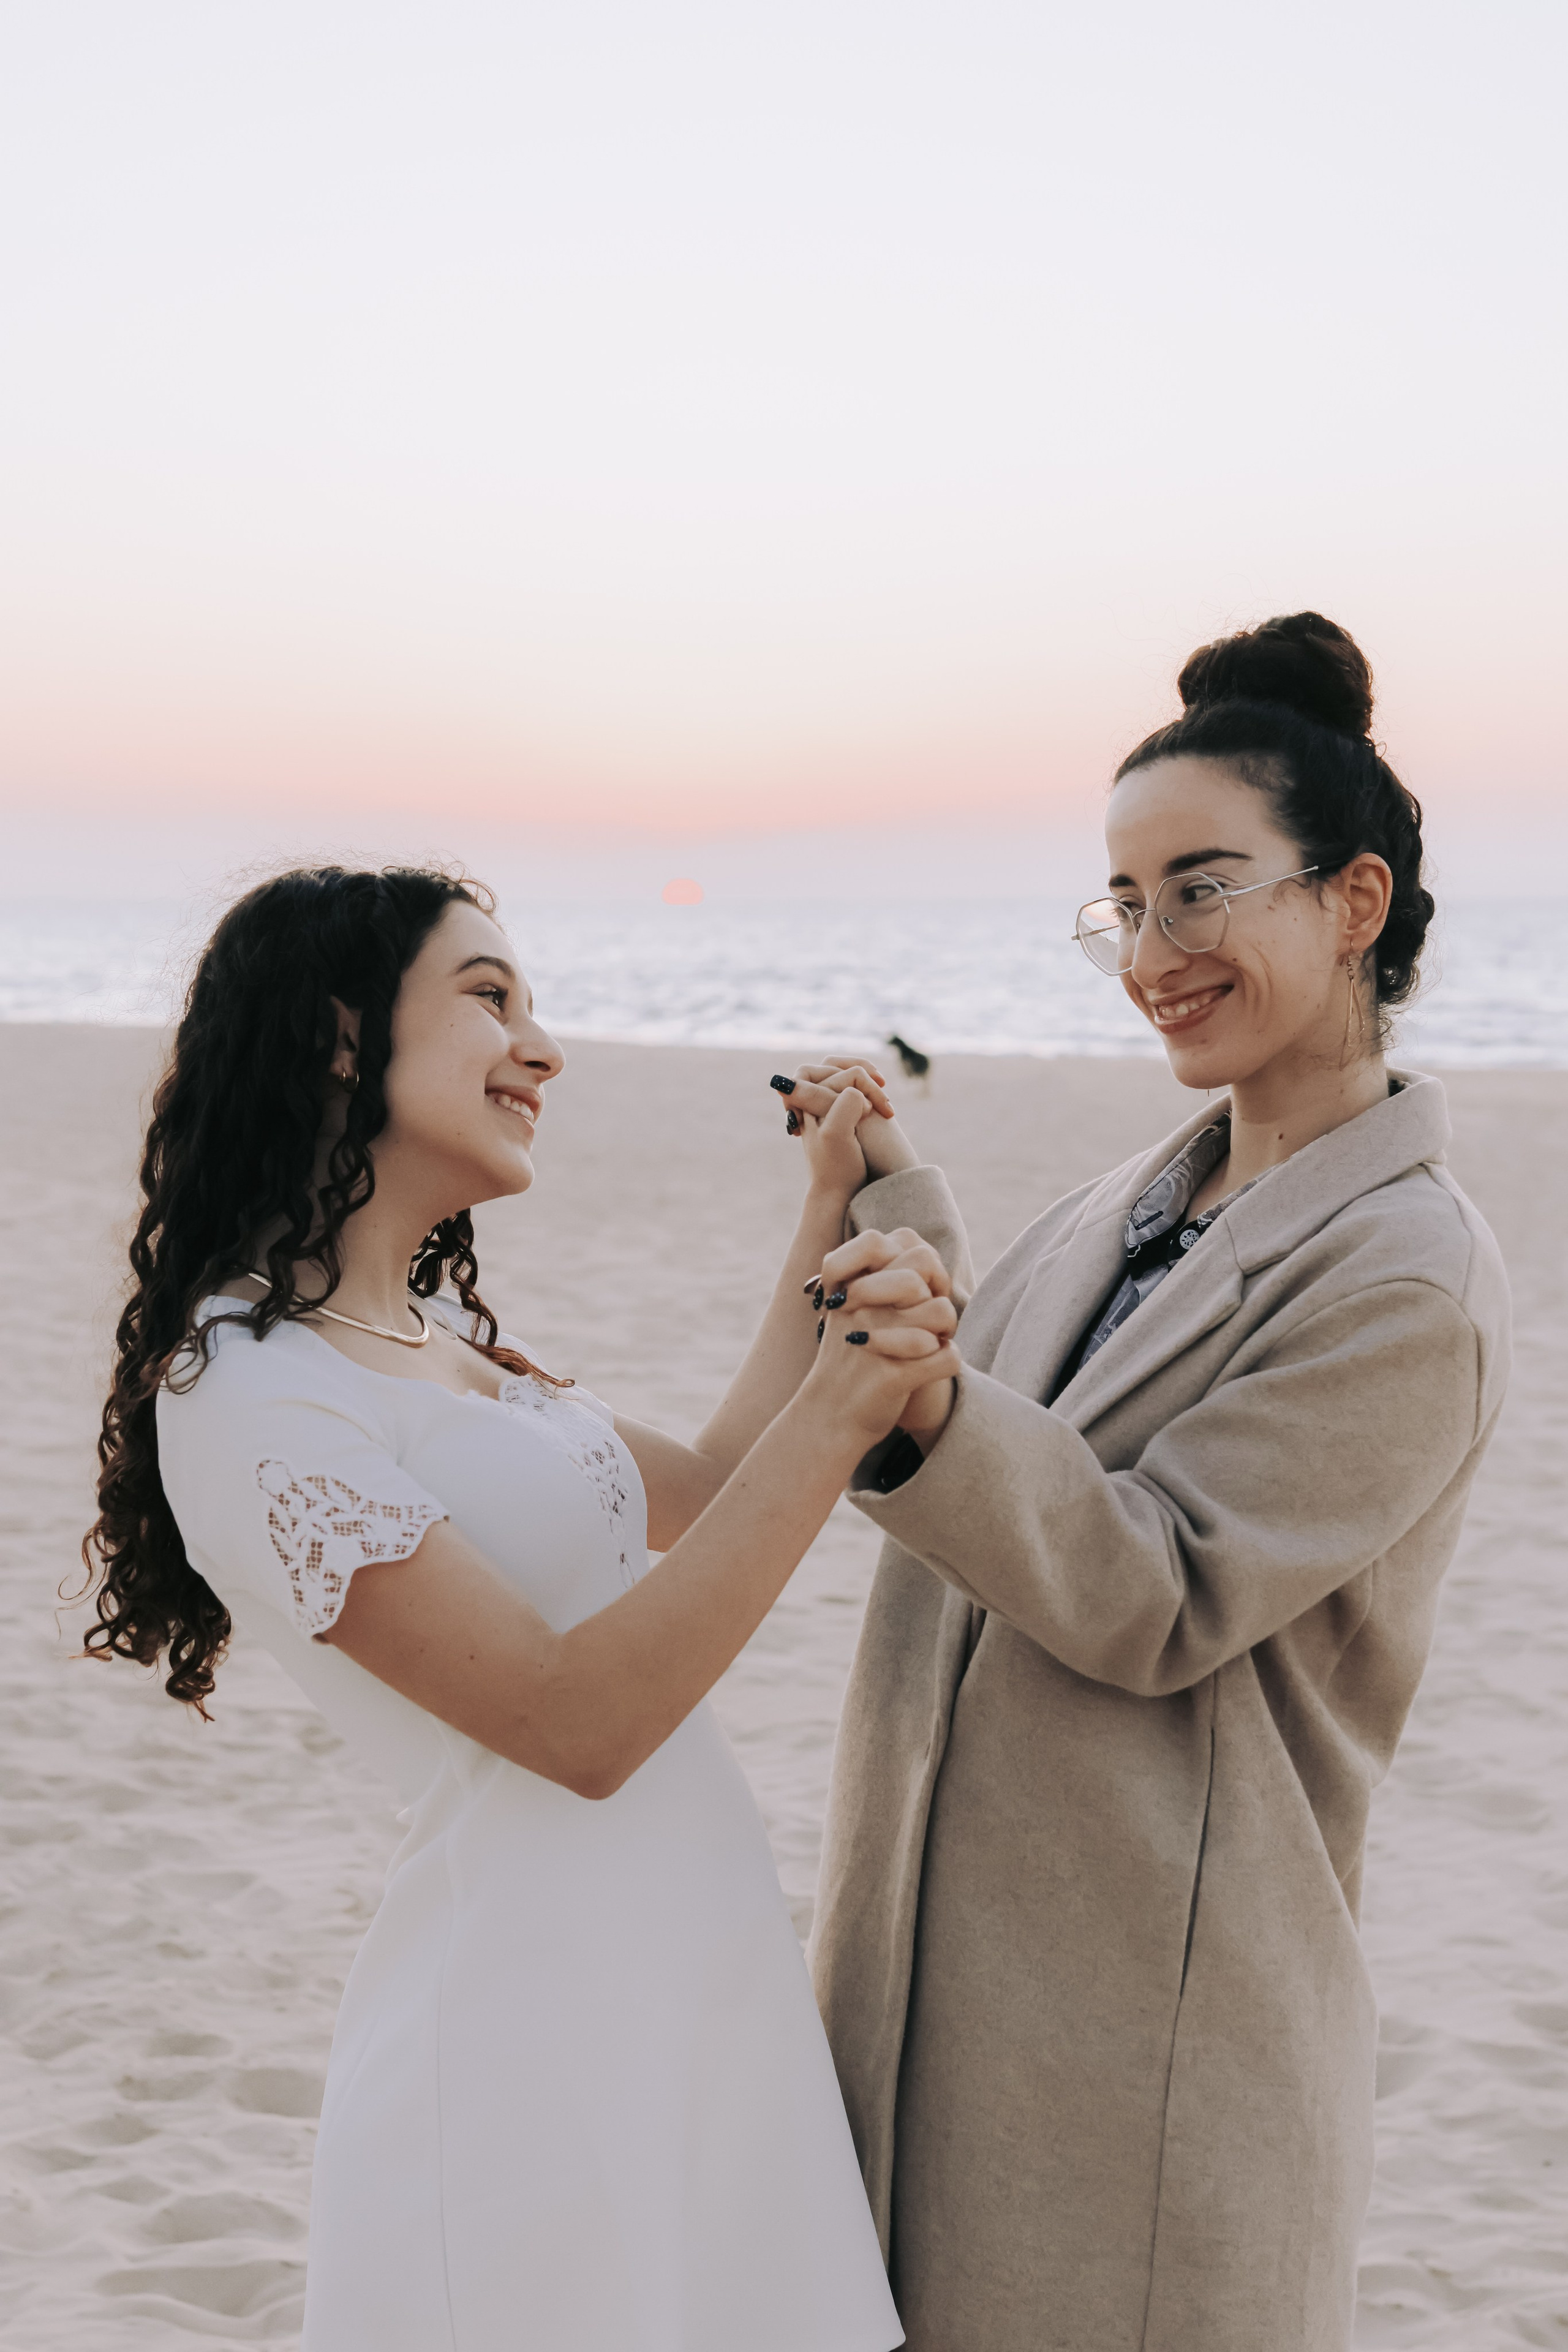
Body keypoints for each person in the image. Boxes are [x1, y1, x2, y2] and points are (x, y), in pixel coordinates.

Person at [80, 864, 960, 2352]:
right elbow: (578, 1725)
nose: (541, 1050)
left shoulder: (428, 1340)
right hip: (530, 2049)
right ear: (341, 1034)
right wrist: (846, 1407)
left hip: (700, 1993)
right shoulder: (244, 1390)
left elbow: (712, 1487)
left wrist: (824, 1209)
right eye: (490, 998)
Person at [778, 614, 1512, 2352]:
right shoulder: (1126, 1202)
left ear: (1354, 901)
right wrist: (894, 1211)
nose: (1150, 952)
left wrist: (918, 1398)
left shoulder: (1406, 1276)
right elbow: (1037, 1415)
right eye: (1122, 903)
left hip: (1149, 2052)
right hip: (933, 1983)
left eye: (1199, 892)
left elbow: (1155, 1585)